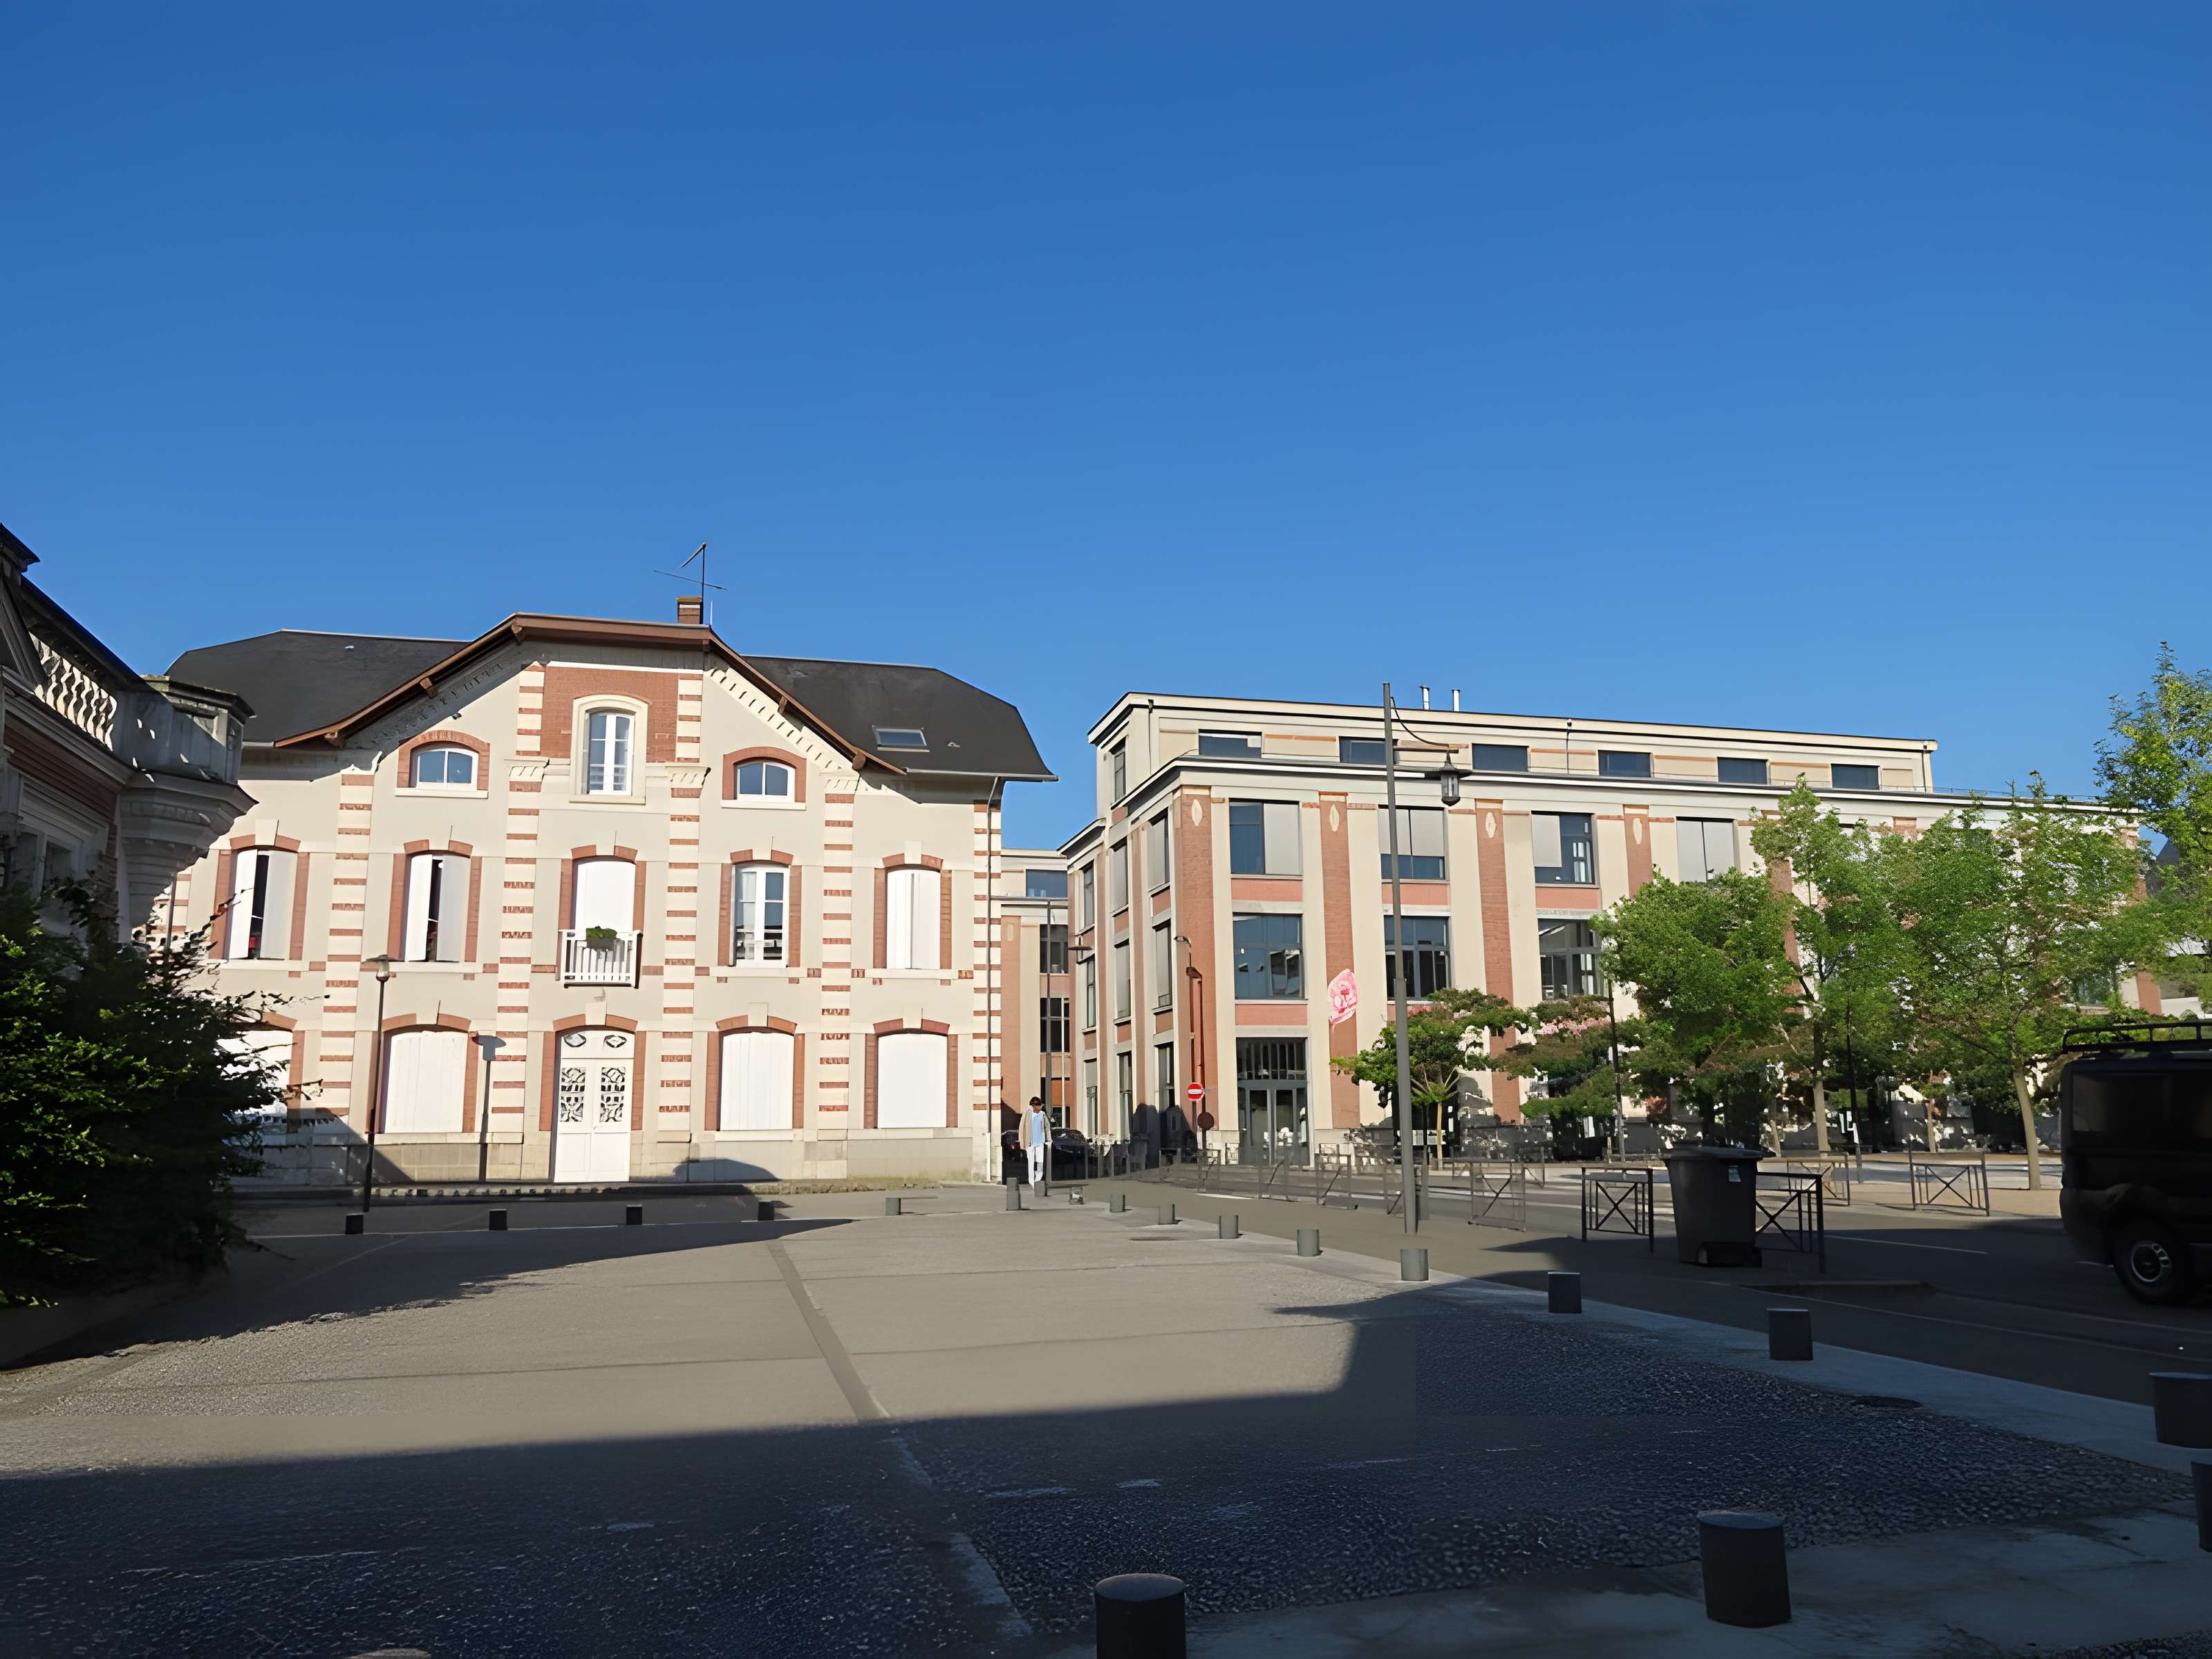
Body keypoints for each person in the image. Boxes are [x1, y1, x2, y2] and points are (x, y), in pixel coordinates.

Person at [1022, 1096, 1049, 1188]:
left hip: (1040, 1143)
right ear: (1032, 1106)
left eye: (1039, 1105)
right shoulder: (1027, 1114)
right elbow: (1022, 1128)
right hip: (1030, 1143)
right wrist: (1022, 1143)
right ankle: (1032, 1182)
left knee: (1040, 1162)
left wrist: (1048, 1139)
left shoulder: (1042, 1114)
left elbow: (1047, 1127)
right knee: (1031, 1163)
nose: (1038, 1107)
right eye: (1036, 1105)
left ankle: (1038, 1180)